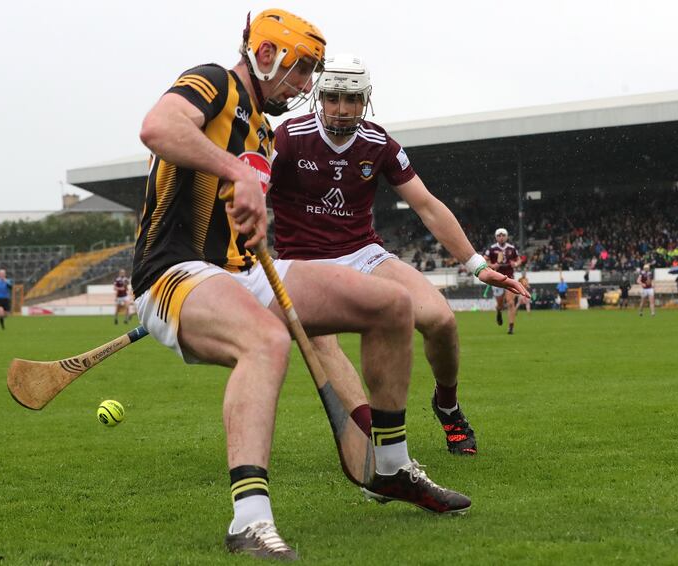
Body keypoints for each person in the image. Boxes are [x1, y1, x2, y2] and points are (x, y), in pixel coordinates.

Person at [131, 13, 470, 561]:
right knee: (267, 341)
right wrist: (238, 173)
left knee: (391, 304)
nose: (307, 85)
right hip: (174, 270)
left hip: (239, 270)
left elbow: (240, 203)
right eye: (302, 69)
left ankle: (390, 466)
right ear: (267, 55)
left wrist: (252, 213)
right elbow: (159, 128)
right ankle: (249, 520)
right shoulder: (212, 81)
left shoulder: (263, 130)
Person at [268, 53, 529, 458]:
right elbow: (248, 187)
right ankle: (376, 439)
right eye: (333, 97)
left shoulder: (379, 143)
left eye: (352, 99)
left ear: (365, 100)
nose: (341, 109)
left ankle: (448, 407)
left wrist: (477, 265)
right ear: (319, 96)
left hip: (363, 253)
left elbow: (426, 205)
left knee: (441, 319)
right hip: (303, 263)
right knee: (325, 346)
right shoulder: (287, 137)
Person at [484, 228, 522, 334]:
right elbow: (484, 260)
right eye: (499, 235)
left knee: (510, 302)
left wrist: (516, 264)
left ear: (506, 236)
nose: (501, 237)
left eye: (503, 235)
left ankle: (511, 326)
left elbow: (519, 260)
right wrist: (492, 265)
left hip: (509, 278)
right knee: (500, 305)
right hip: (496, 279)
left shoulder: (512, 248)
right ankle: (499, 311)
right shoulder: (491, 249)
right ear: (496, 237)